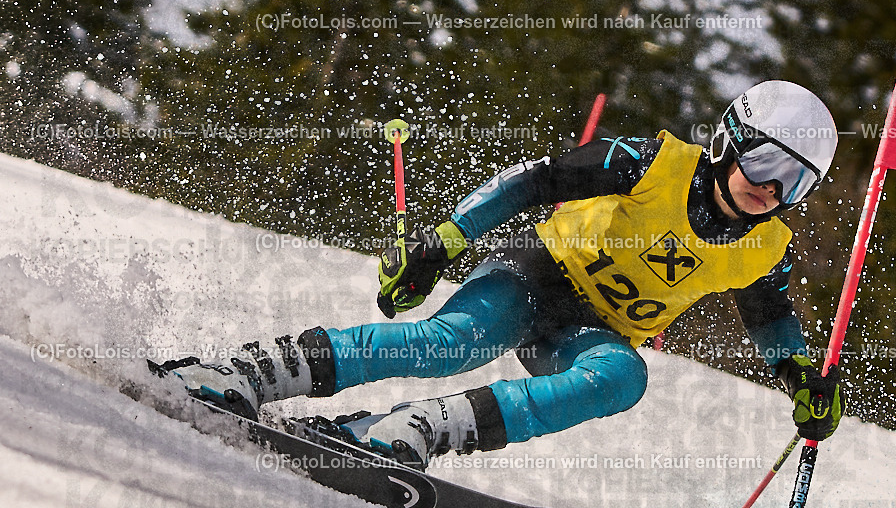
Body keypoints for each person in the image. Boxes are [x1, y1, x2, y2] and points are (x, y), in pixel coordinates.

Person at [152, 80, 846, 470]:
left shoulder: (764, 247)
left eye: (794, 183)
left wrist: (799, 378)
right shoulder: (656, 162)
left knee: (625, 377)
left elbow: (771, 319)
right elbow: (537, 179)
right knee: (451, 342)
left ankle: (412, 428)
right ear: (729, 140)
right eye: (765, 165)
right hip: (537, 274)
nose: (771, 190)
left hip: (589, 330)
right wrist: (443, 242)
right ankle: (250, 370)